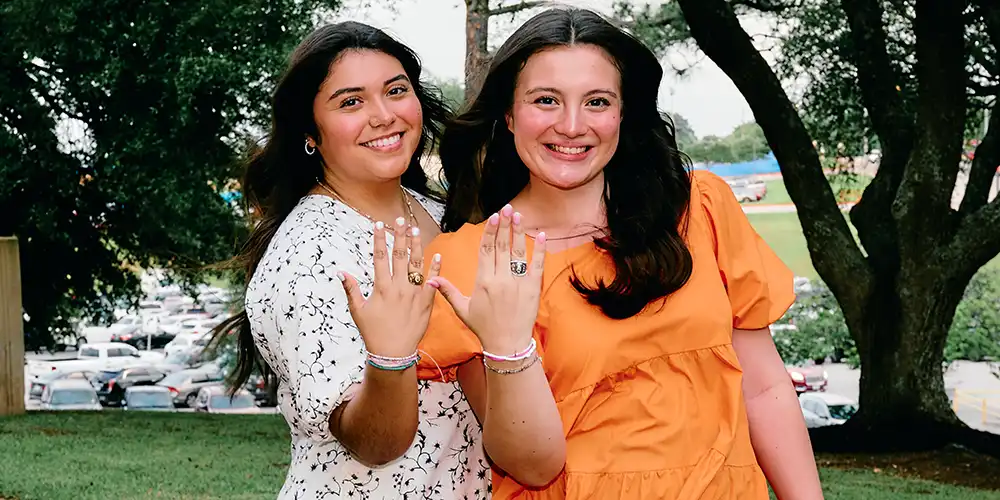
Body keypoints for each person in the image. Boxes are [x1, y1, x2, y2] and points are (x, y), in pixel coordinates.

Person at [419, 7, 826, 500]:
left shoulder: (701, 209)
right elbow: (528, 465)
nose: (572, 126)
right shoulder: (469, 259)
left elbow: (764, 388)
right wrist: (509, 350)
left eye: (597, 101)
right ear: (508, 114)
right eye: (546, 100)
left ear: (623, 112)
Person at [210, 22, 495, 499]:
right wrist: (390, 358)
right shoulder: (309, 254)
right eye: (350, 101)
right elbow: (374, 442)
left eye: (396, 91)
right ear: (310, 134)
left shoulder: (445, 215)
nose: (384, 115)